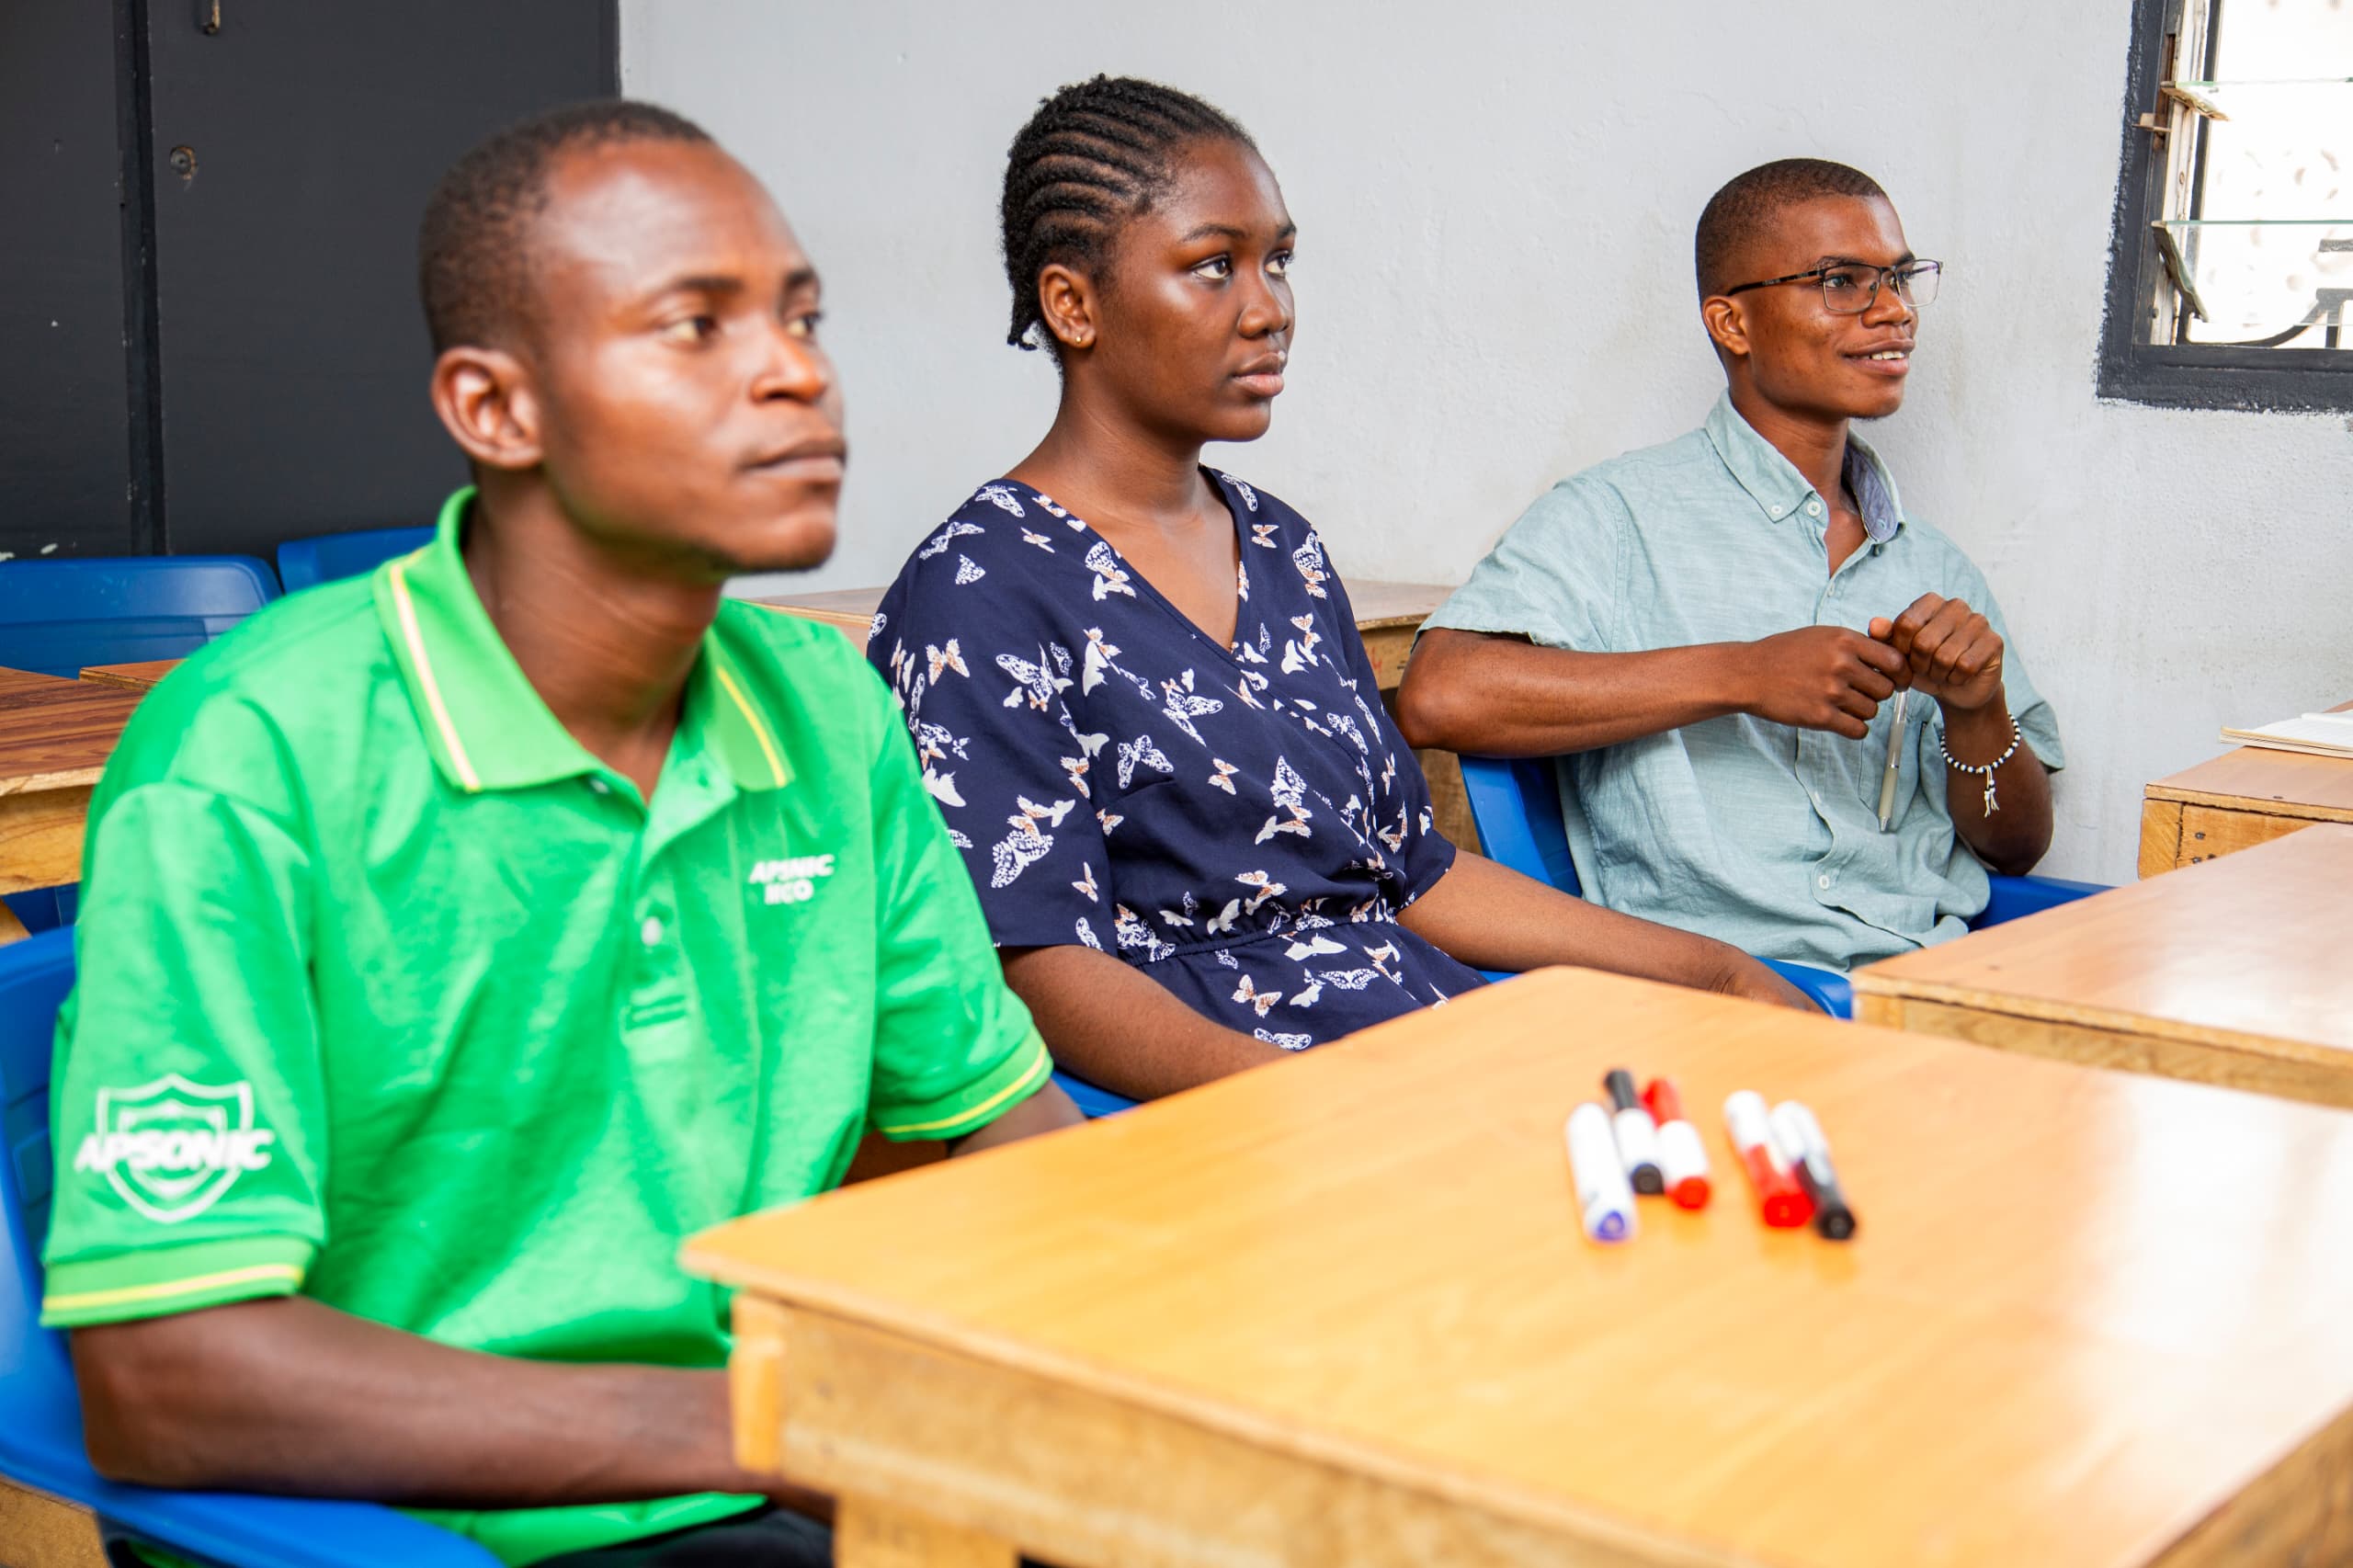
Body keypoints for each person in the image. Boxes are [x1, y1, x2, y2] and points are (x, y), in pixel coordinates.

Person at [42, 102, 1077, 1568]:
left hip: (767, 1483)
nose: (797, 372)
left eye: (801, 317)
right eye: (693, 327)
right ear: (496, 409)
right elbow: (168, 1380)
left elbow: (1002, 1138)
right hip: (405, 1528)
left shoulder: (828, 711)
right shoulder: (258, 753)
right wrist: (786, 1420)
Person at [869, 77, 1807, 1106]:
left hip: (1412, 1037)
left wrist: (1712, 968)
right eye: (1212, 266)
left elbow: (1411, 865)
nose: (1269, 308)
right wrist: (1331, 1109)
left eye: (1276, 261)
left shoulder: (1280, 546)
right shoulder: (977, 587)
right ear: (1072, 304)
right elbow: (1038, 968)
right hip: (1211, 1103)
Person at [1399, 159, 2063, 974]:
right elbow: (1440, 694)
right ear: (1732, 323)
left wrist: (1978, 710)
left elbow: (2017, 846)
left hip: (1930, 979)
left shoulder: (1933, 565)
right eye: (1842, 281)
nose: (1893, 310)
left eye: (1897, 277)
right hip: (1721, 991)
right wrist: (1743, 674)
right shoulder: (1614, 516)